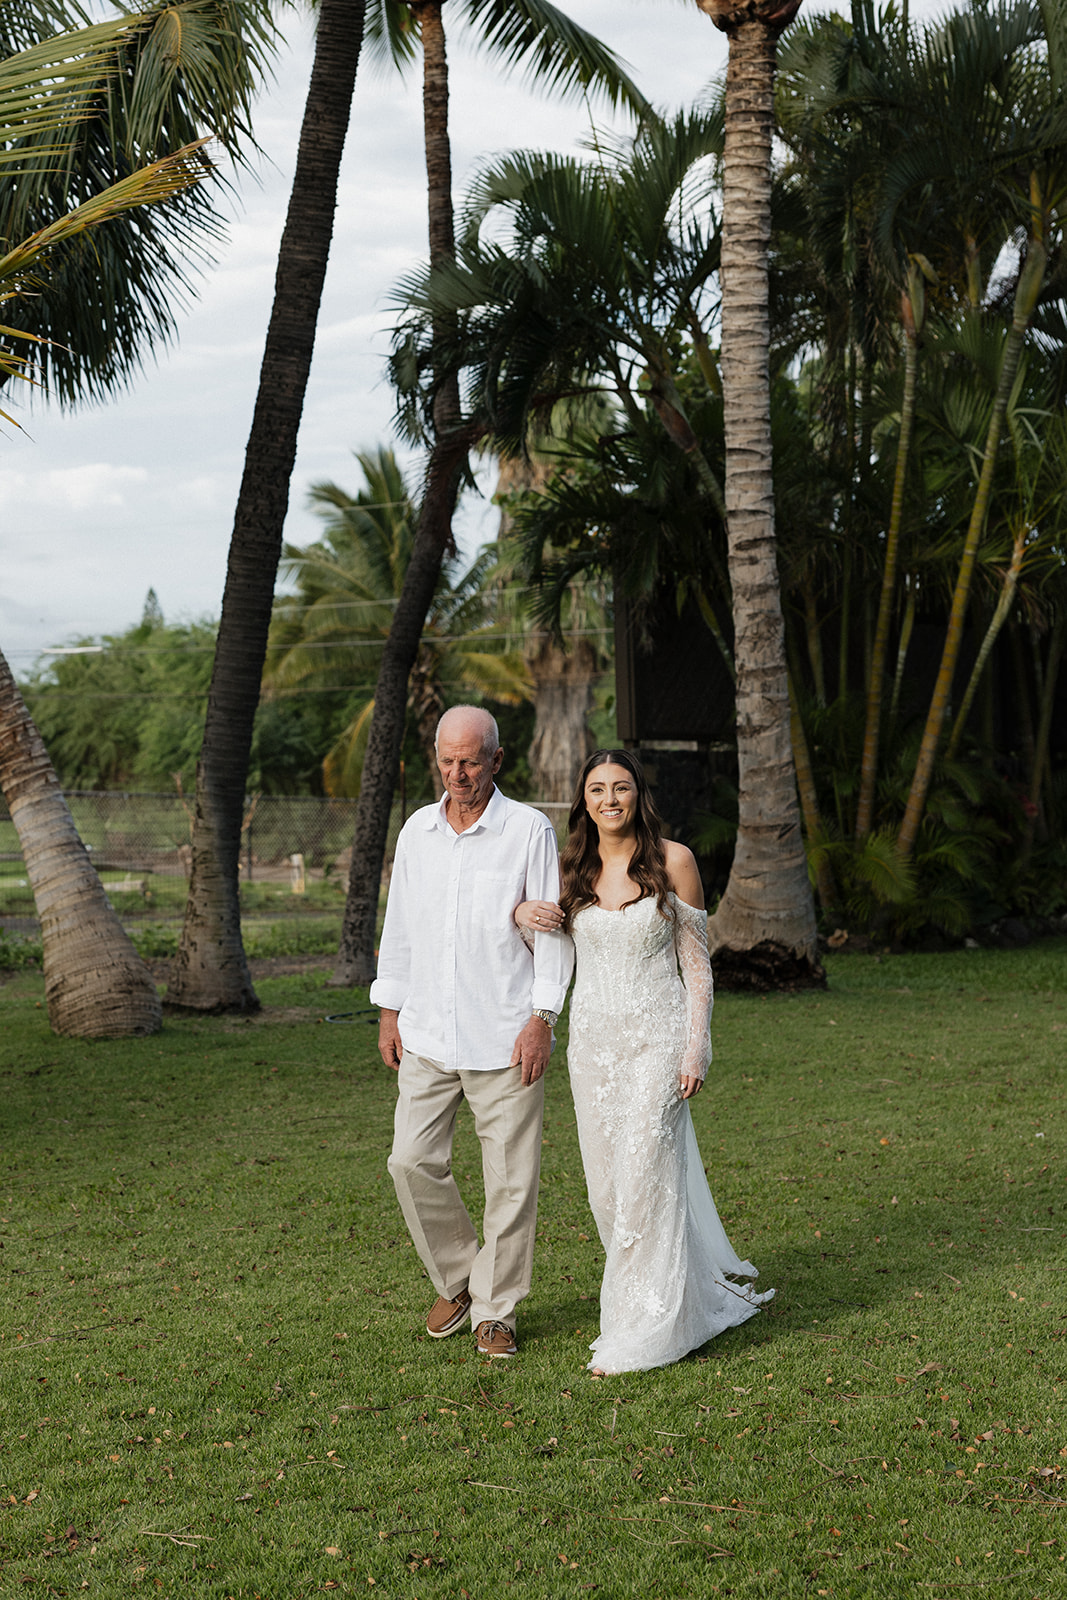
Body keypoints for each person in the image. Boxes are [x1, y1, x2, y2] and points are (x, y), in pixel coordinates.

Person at [516, 749, 772, 1375]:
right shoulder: (567, 867)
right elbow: (544, 950)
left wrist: (697, 1046)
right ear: (583, 799)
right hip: (593, 1048)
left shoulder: (673, 861)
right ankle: (672, 1295)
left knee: (645, 1176)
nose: (610, 799)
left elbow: (698, 968)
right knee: (607, 1190)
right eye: (597, 788)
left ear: (638, 795)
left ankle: (647, 1326)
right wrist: (522, 915)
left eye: (621, 787)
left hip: (659, 1041)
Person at [370, 705, 572, 1359]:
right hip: (427, 1030)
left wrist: (542, 1019)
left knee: (512, 1181)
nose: (458, 773)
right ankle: (460, 1278)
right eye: (447, 761)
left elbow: (551, 933)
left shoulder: (527, 830)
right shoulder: (416, 833)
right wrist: (389, 1009)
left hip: (505, 1034)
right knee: (409, 1161)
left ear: (496, 760)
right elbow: (399, 927)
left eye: (470, 761)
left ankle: (497, 1312)